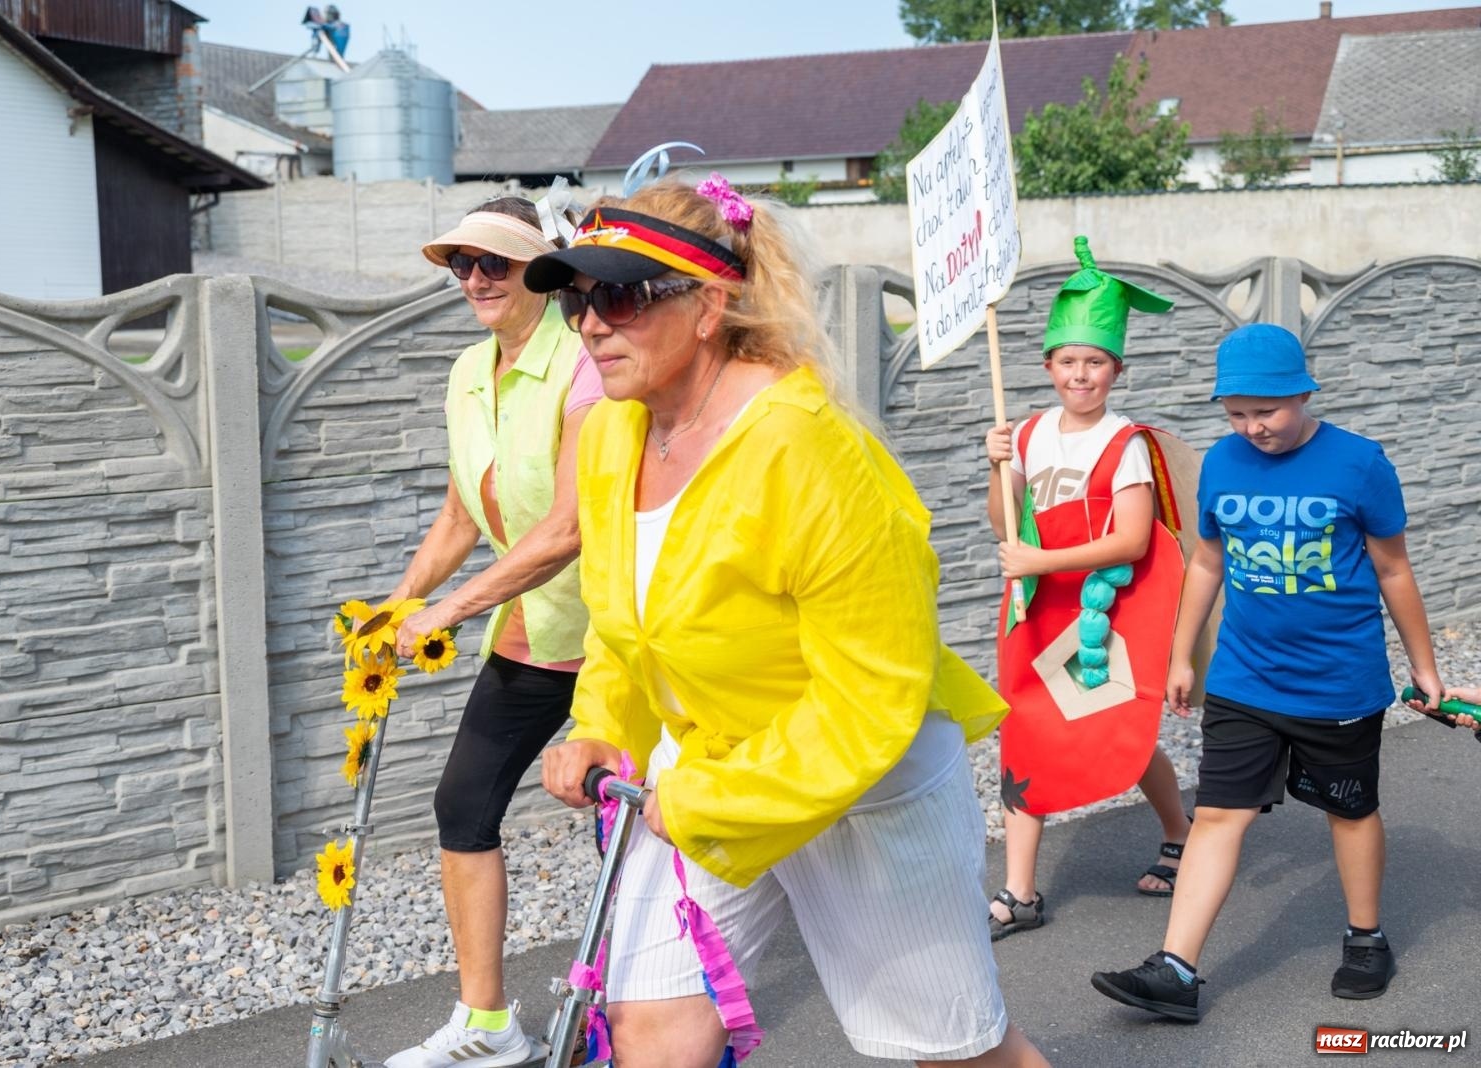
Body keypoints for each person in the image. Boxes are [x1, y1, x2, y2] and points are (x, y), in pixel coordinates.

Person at [529, 176, 1050, 1068]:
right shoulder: (617, 433)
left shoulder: (811, 452)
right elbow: (624, 626)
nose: (589, 324)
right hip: (704, 774)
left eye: (618, 295)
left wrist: (703, 798)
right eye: (578, 298)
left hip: (859, 788)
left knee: (959, 1054)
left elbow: (869, 702)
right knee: (649, 1029)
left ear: (708, 306)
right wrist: (603, 726)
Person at [1091, 323, 1446, 1022]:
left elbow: (1393, 568)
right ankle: (1176, 969)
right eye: (1237, 413)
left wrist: (1425, 666)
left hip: (1338, 683)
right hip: (1245, 678)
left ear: (1304, 394)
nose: (1253, 427)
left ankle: (1366, 938)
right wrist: (1181, 655)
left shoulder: (1359, 463)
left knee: (1349, 810)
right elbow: (1207, 562)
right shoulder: (1221, 464)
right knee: (1220, 812)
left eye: (1268, 411)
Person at [382, 196, 603, 1068]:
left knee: (644, 826)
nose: (474, 279)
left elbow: (567, 527)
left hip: (617, 632)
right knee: (463, 807)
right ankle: (487, 1024)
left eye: (495, 264)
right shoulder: (468, 370)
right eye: (461, 265)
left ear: (538, 274)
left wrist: (447, 612)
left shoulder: (584, 363)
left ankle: (653, 1007)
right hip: (528, 630)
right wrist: (400, 604)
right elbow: (460, 514)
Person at [983, 238, 1195, 940]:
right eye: (1069, 362)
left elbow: (1133, 540)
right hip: (1034, 610)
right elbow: (1005, 527)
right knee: (1025, 727)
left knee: (1116, 729)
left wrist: (1042, 564)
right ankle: (1020, 892)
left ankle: (1178, 829)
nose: (1082, 375)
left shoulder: (1124, 443)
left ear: (1115, 369)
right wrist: (999, 469)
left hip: (1098, 613)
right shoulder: (1031, 434)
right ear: (1048, 366)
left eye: (1095, 363)